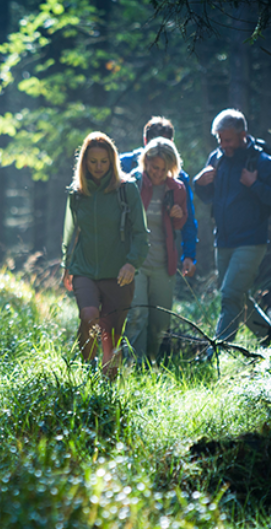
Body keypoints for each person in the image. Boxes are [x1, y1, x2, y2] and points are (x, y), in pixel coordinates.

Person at [193, 108, 271, 350]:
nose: (224, 144)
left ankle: (219, 350)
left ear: (243, 134)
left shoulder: (262, 162)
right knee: (238, 298)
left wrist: (254, 184)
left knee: (229, 296)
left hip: (251, 241)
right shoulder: (216, 159)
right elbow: (207, 198)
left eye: (228, 139)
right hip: (223, 241)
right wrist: (198, 184)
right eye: (220, 140)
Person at [62, 132, 149, 380]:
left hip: (119, 273)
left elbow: (141, 233)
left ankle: (106, 388)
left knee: (111, 332)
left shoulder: (126, 190)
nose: (98, 167)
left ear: (112, 161)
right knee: (89, 316)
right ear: (84, 163)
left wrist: (132, 263)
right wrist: (65, 266)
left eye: (104, 162)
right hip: (84, 269)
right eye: (93, 161)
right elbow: (69, 232)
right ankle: (87, 368)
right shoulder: (77, 193)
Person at [124, 137, 188, 363]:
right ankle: (134, 365)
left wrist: (178, 216)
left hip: (164, 262)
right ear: (146, 161)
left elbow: (182, 224)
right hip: (136, 261)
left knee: (161, 320)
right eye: (154, 167)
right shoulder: (133, 183)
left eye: (164, 169)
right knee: (137, 315)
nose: (158, 173)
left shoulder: (177, 188)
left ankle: (150, 361)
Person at [120, 116, 198, 278]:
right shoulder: (124, 166)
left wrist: (189, 255)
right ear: (145, 140)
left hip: (162, 258)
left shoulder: (179, 178)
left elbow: (187, 219)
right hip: (127, 256)